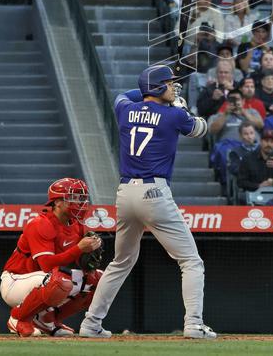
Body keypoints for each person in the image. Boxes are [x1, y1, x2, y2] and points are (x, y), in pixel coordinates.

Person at [81, 65, 216, 340]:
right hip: (155, 193)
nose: (173, 87)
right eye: (169, 83)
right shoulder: (174, 115)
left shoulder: (124, 108)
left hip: (125, 194)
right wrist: (180, 106)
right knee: (191, 261)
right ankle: (194, 324)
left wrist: (155, 92)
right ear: (157, 87)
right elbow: (201, 128)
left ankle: (91, 323)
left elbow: (125, 95)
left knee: (120, 262)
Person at [0, 178, 104, 337]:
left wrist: (89, 256)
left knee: (99, 280)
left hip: (46, 280)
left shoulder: (77, 225)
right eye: (74, 198)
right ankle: (18, 318)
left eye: (81, 198)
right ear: (57, 202)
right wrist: (79, 248)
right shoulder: (41, 223)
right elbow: (46, 265)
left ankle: (48, 321)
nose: (80, 203)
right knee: (59, 279)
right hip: (15, 281)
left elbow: (75, 261)